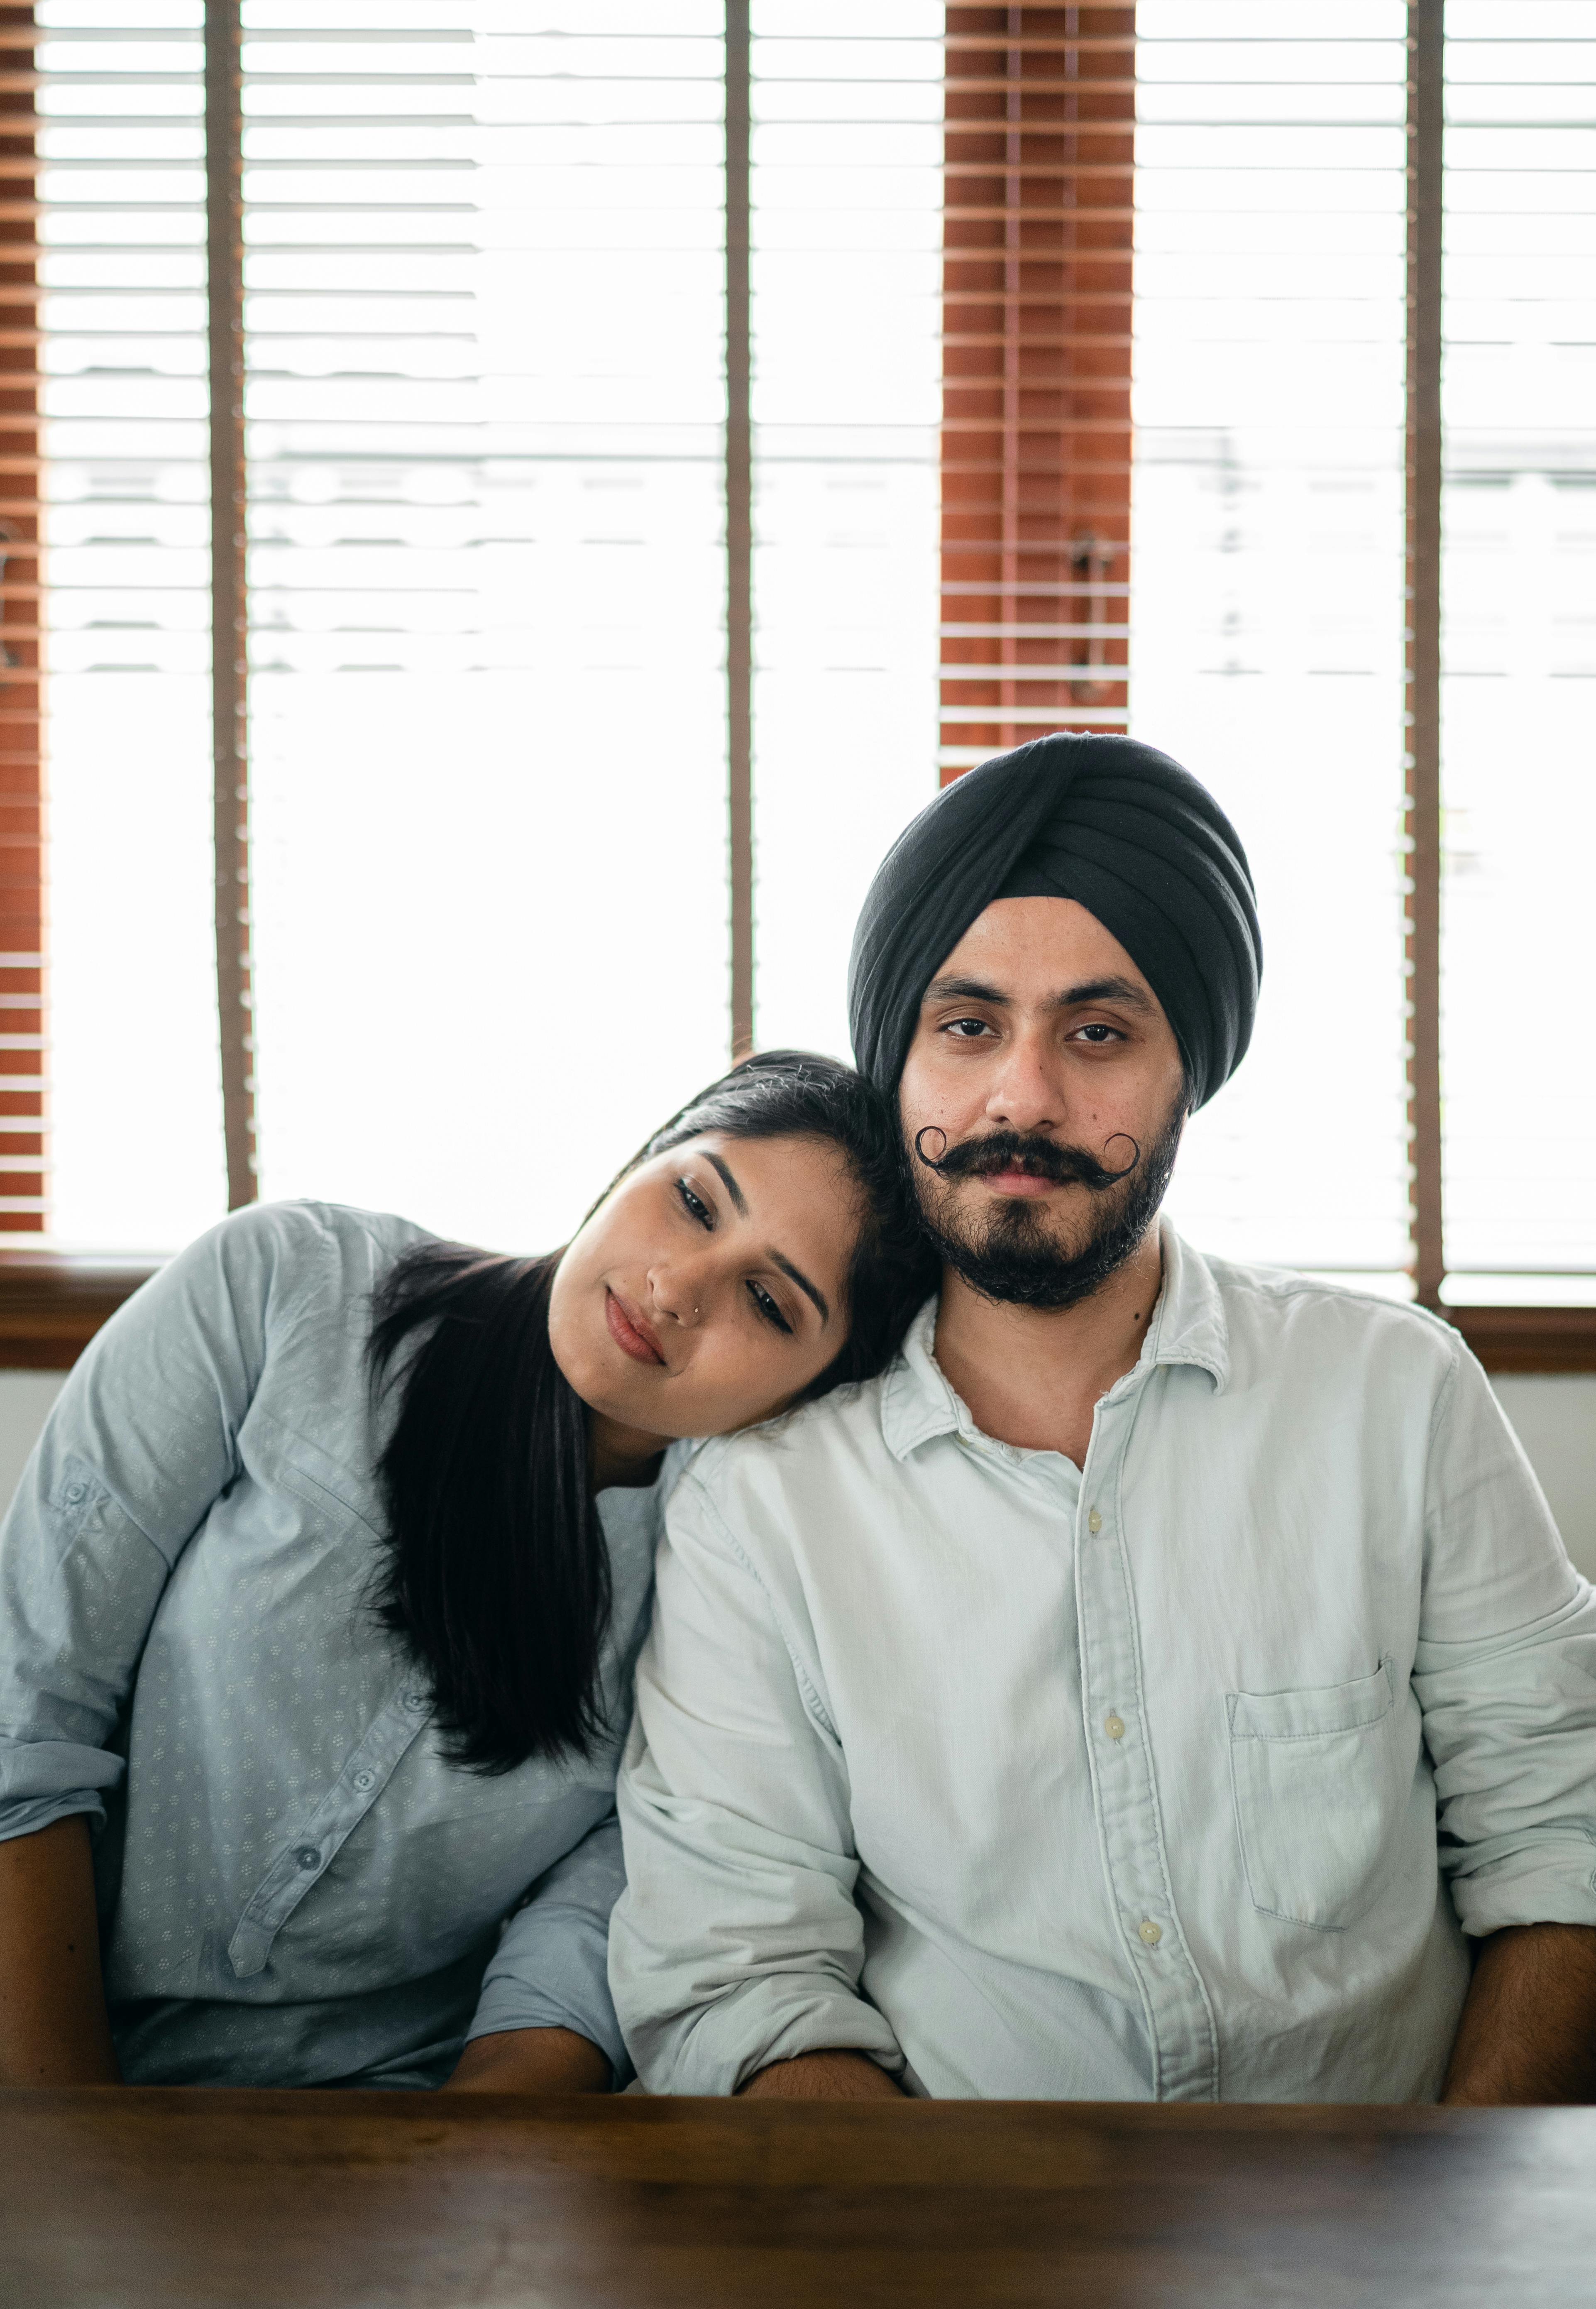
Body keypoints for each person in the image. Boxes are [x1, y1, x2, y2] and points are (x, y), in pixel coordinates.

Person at [610, 732, 1596, 2107]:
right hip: (954, 2214)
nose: (1023, 1096)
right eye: (966, 1027)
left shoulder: (1396, 1394)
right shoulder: (762, 1501)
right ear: (897, 1061)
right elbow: (739, 1977)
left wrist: (1468, 2197)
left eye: (1096, 1033)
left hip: (1399, 2203)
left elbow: (1562, 1834)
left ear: (1190, 1068)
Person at [0, 1051, 931, 2092]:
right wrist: (64, 2132)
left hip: (388, 2115)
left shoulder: (730, 1579)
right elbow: (25, 1707)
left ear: (816, 1389)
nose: (677, 1288)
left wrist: (481, 2140)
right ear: (647, 1154)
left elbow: (609, 1894)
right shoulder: (286, 1287)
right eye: (694, 1201)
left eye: (767, 1300)